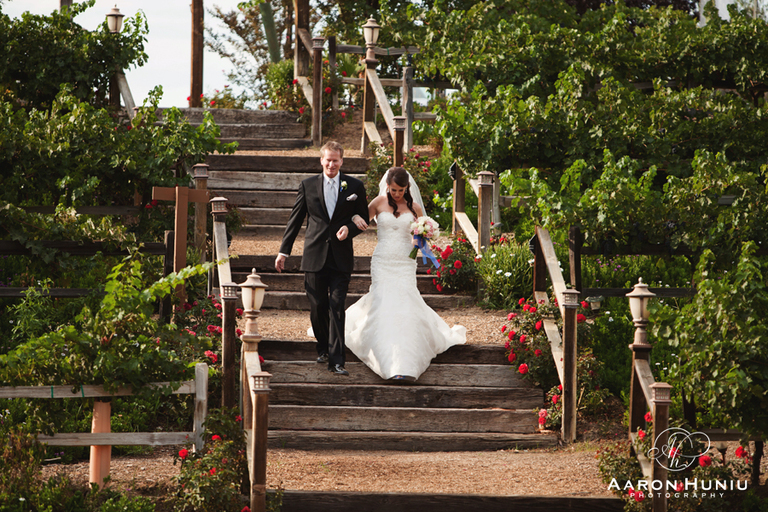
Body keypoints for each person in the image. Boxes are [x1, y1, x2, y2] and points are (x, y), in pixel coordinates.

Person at [343, 167, 466, 381]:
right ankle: (386, 357)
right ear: (387, 186)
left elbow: (423, 234)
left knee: (405, 302)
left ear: (407, 188)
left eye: (401, 190)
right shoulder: (378, 203)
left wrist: (420, 237)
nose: (397, 194)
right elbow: (361, 219)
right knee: (383, 301)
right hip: (382, 260)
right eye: (393, 190)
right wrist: (354, 218)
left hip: (405, 262)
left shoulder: (415, 207)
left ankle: (406, 363)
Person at [276, 141, 369, 376]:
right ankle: (323, 348)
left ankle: (337, 361)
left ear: (342, 161)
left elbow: (363, 218)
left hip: (341, 257)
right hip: (314, 255)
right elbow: (295, 220)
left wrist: (350, 228)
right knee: (318, 306)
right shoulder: (307, 186)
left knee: (337, 306)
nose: (331, 164)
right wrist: (284, 251)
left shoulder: (355, 186)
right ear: (321, 160)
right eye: (328, 160)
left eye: (335, 160)